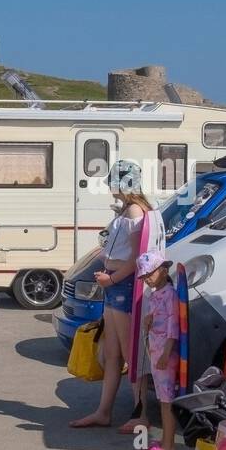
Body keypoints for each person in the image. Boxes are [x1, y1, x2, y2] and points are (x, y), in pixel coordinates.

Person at [70, 160, 162, 430]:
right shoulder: (135, 209)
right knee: (113, 351)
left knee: (128, 351)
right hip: (116, 287)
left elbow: (137, 258)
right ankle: (104, 411)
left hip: (121, 287)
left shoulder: (134, 211)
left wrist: (111, 278)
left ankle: (139, 413)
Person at [136, 251, 180, 450]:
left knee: (166, 400)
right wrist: (149, 321)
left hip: (164, 354)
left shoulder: (170, 294)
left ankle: (169, 446)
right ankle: (165, 441)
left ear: (162, 270)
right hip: (156, 351)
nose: (147, 279)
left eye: (149, 274)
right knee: (163, 398)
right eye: (144, 276)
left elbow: (173, 326)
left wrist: (166, 353)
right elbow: (160, 319)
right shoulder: (157, 294)